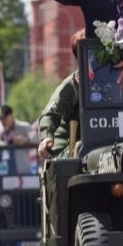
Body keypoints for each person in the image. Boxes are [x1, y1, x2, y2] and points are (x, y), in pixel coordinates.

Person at [38, 30, 83, 160]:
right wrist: (46, 136)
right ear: (79, 56)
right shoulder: (72, 84)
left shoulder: (112, 81)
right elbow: (50, 114)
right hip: (70, 147)